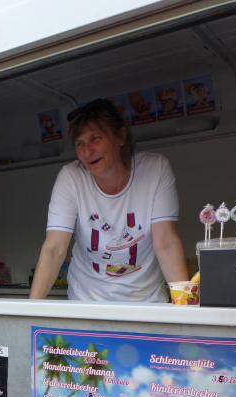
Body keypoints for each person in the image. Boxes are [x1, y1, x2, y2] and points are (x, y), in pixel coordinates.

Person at [30, 99, 187, 302]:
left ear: (120, 136)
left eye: (95, 138)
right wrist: (30, 312)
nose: (87, 151)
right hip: (87, 302)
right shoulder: (71, 177)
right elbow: (54, 249)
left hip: (147, 302)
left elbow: (166, 243)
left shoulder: (155, 169)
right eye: (79, 144)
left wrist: (186, 306)